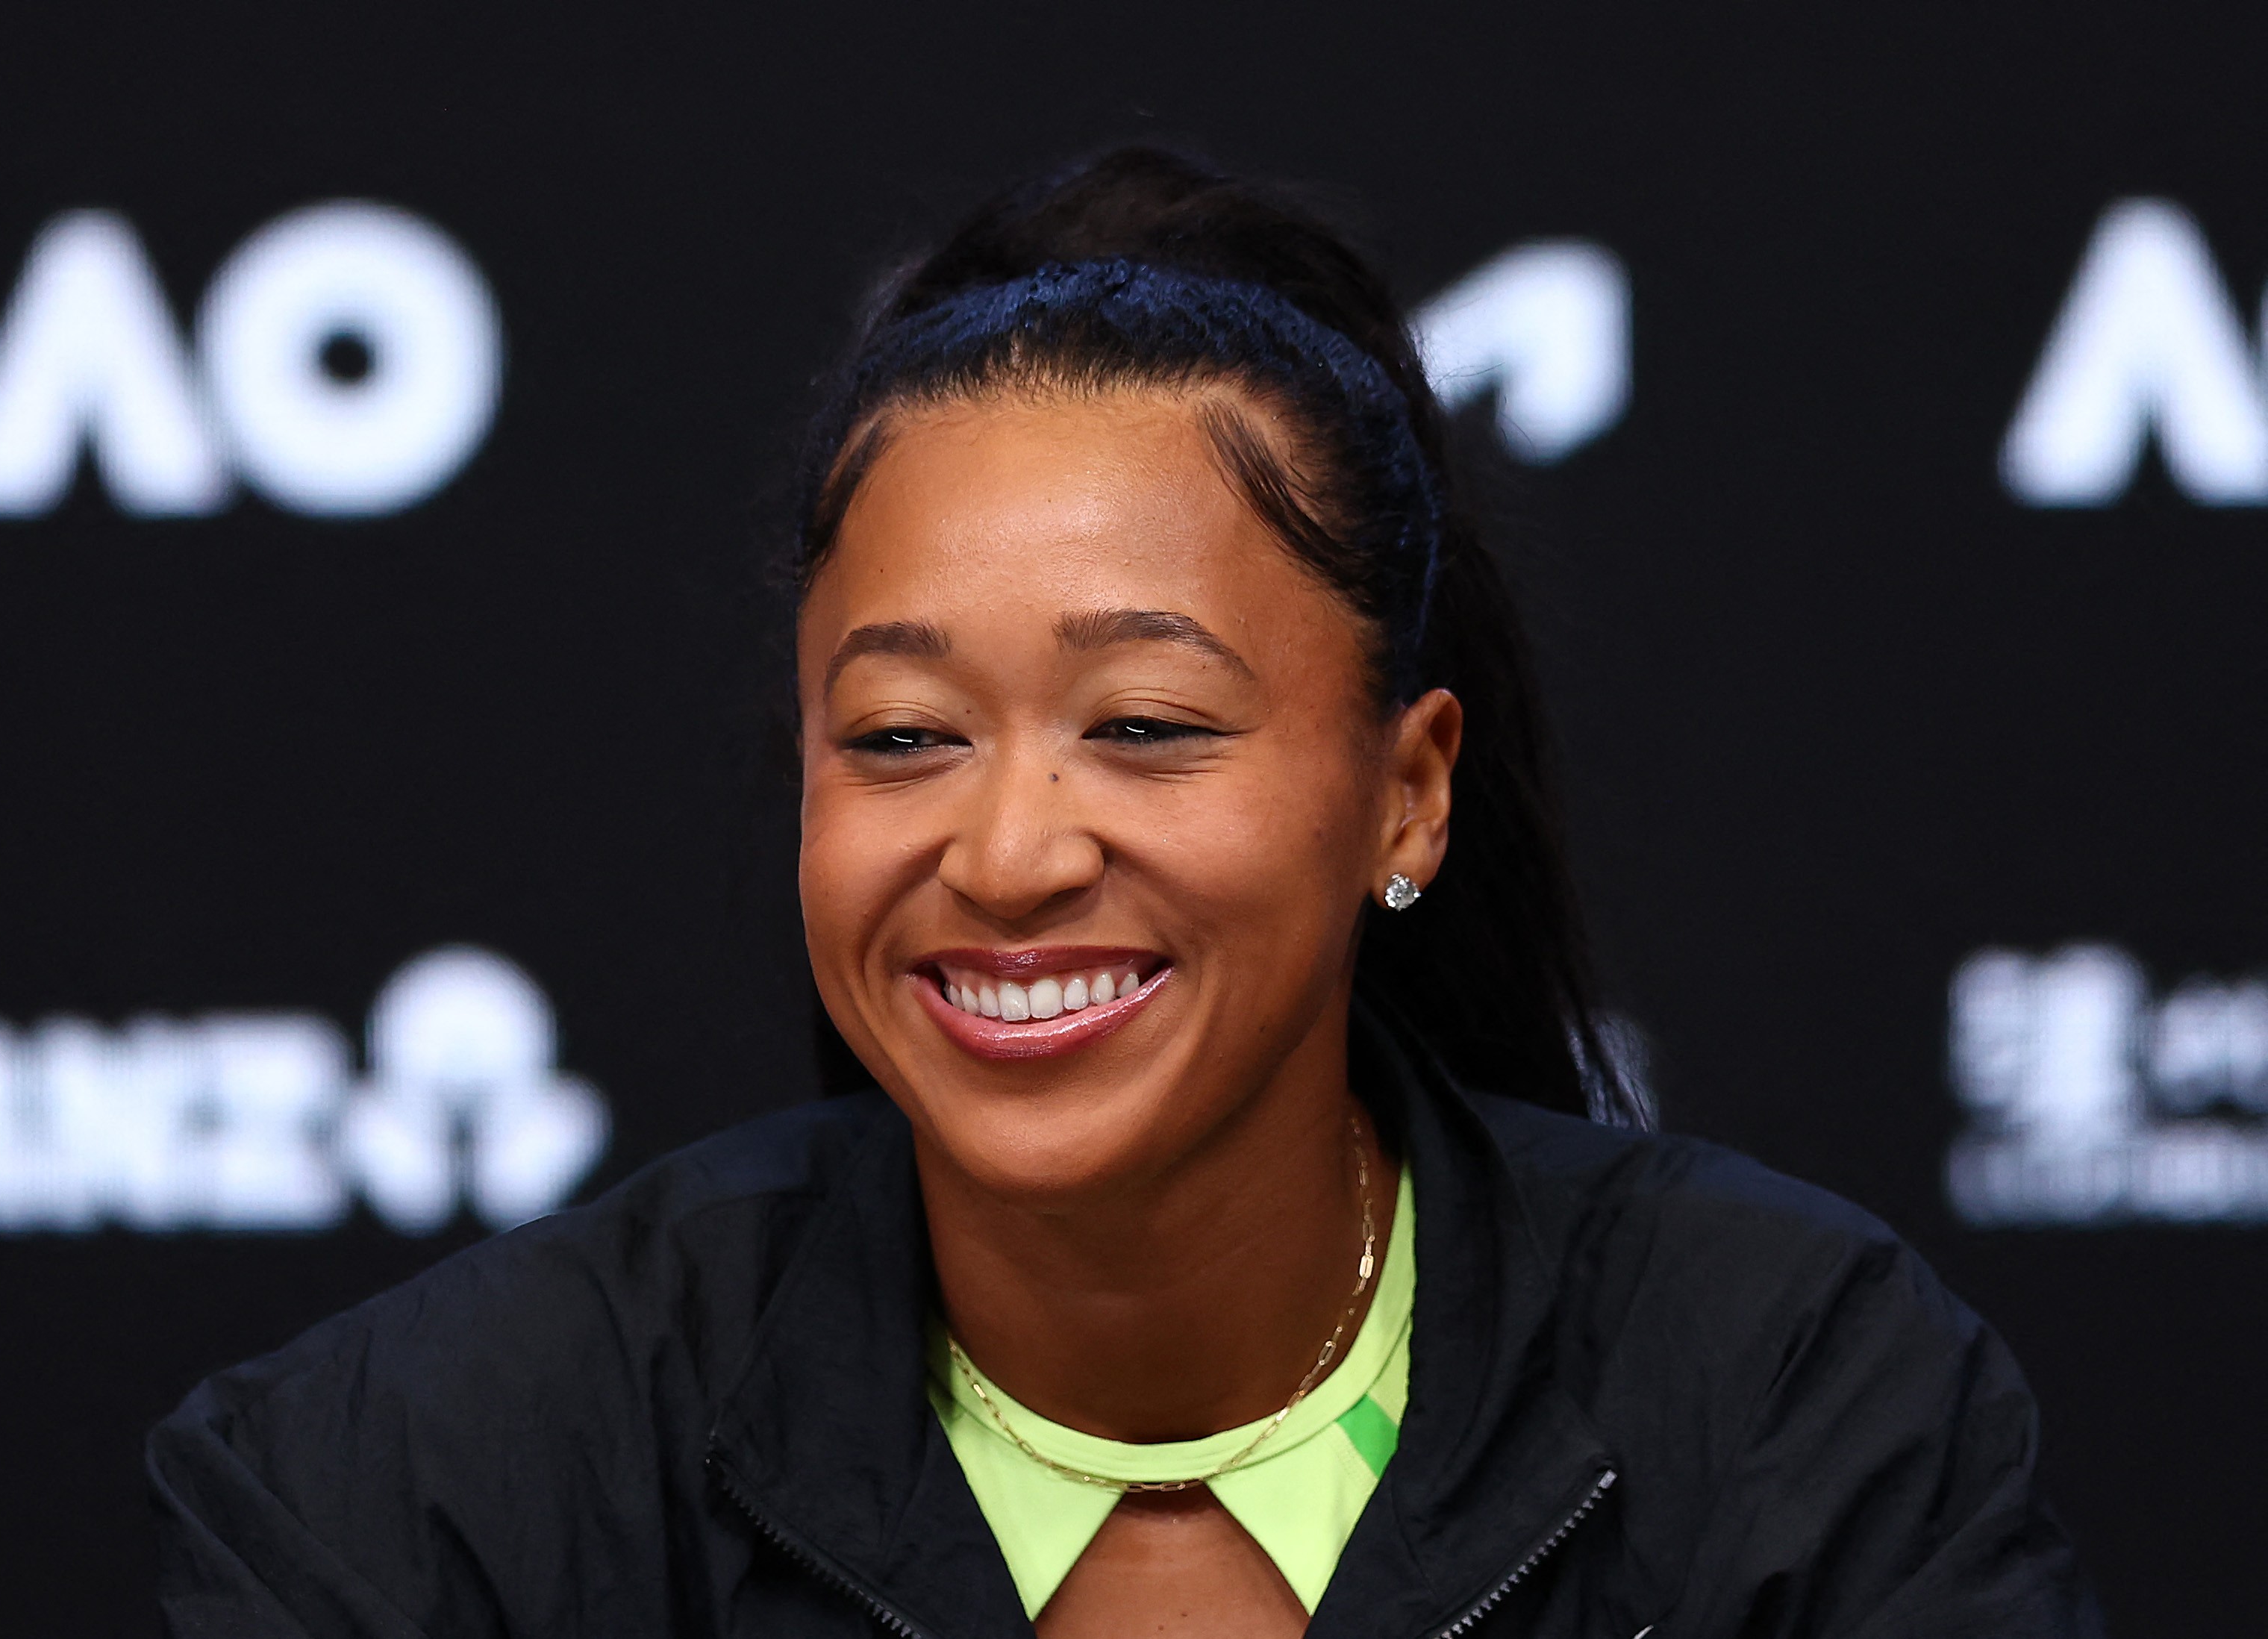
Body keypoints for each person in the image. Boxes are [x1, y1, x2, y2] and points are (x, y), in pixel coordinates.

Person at [149, 149, 2104, 1638]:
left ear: (1406, 792)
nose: (1006, 856)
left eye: (1151, 723)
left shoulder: (1796, 1405)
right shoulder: (416, 1492)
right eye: (906, 736)